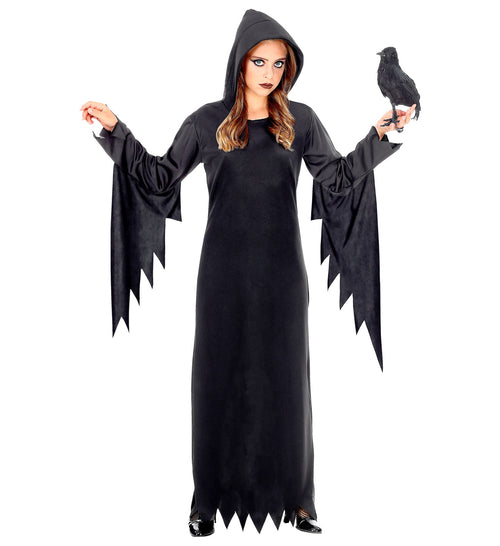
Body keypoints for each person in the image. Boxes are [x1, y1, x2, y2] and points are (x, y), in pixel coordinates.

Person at [80, 8, 415, 537]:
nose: (269, 73)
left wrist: (379, 137)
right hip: (222, 276)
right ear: (239, 61)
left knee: (287, 382)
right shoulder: (207, 122)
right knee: (216, 381)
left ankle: (299, 501)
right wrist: (114, 130)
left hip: (284, 277)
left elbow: (336, 180)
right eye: (259, 61)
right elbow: (160, 177)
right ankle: (205, 502)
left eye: (279, 64)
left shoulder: (300, 121)